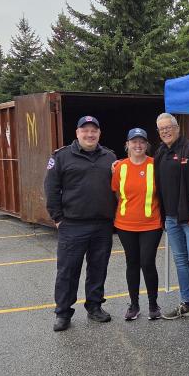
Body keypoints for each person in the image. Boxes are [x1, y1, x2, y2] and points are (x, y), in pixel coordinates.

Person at [43, 115, 117, 332]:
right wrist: (57, 218)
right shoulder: (61, 156)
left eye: (94, 130)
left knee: (98, 268)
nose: (89, 134)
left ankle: (94, 306)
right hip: (72, 225)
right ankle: (63, 313)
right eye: (85, 130)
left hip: (102, 225)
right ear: (77, 133)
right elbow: (51, 188)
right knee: (67, 271)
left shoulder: (109, 156)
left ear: (99, 133)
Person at [154, 112, 189, 324]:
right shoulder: (160, 153)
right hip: (170, 218)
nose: (166, 131)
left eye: (168, 127)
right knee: (180, 260)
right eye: (162, 129)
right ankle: (186, 303)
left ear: (177, 128)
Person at [112, 128, 163, 321]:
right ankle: (134, 305)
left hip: (151, 224)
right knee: (132, 263)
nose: (138, 145)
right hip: (125, 224)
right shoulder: (120, 167)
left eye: (142, 141)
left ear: (147, 144)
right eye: (134, 142)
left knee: (147, 262)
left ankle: (153, 305)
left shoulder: (155, 165)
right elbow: (117, 192)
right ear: (127, 145)